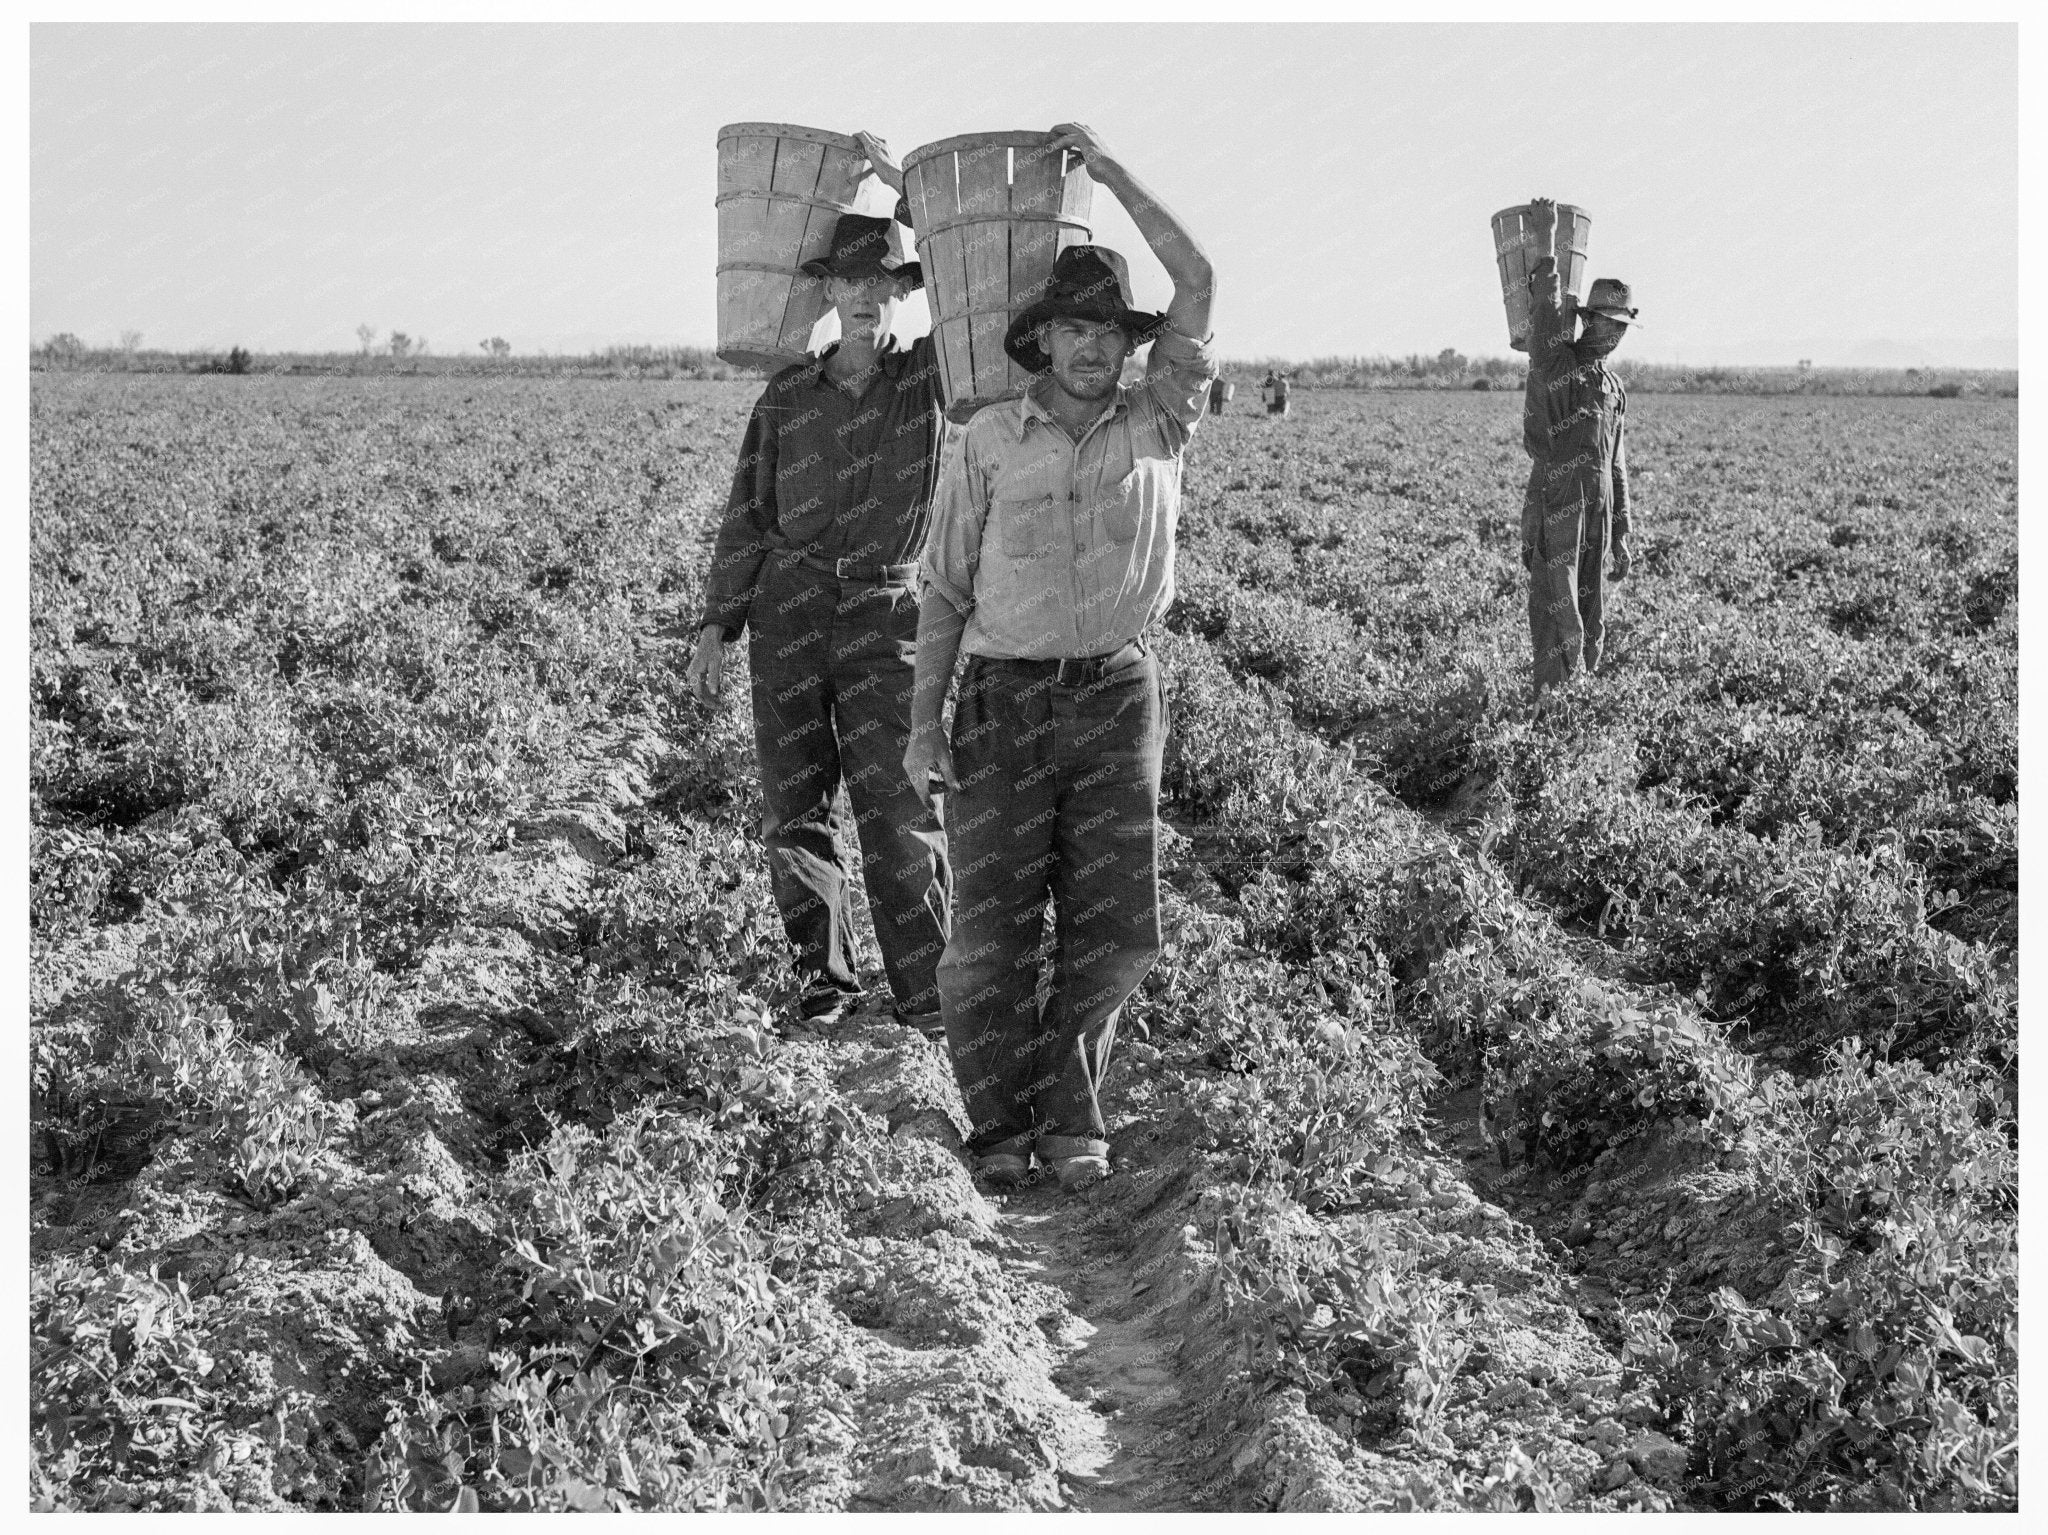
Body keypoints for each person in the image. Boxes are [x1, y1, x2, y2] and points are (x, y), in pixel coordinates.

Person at [902, 122, 1216, 1194]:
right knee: (986, 932)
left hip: (1117, 693)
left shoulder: (1158, 422)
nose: (1092, 346)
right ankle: (995, 1124)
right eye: (1073, 327)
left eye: (1107, 329)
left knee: (1117, 924)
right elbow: (942, 587)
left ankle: (1070, 1116)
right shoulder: (988, 438)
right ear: (1041, 339)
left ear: (1130, 344)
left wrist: (1113, 170)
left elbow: (1198, 276)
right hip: (1001, 698)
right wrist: (918, 728)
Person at [687, 131, 951, 1037]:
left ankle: (925, 991)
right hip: (792, 608)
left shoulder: (928, 384)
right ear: (828, 294)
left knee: (901, 802)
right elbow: (749, 511)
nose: (868, 297)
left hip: (888, 613)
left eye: (884, 282)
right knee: (795, 806)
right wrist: (718, 623)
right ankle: (824, 986)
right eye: (851, 282)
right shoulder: (788, 398)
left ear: (899, 293)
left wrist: (902, 188)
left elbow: (973, 291)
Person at [1519, 195, 1637, 693]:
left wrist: (1624, 532)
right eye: (1611, 324)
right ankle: (1549, 707)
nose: (1617, 335)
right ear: (1590, 320)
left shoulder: (1613, 387)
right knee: (1555, 606)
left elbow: (1618, 465)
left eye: (1623, 328)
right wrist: (1546, 240)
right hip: (1561, 504)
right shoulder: (1558, 363)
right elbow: (1545, 312)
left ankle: (1578, 702)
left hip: (1598, 515)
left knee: (1589, 613)